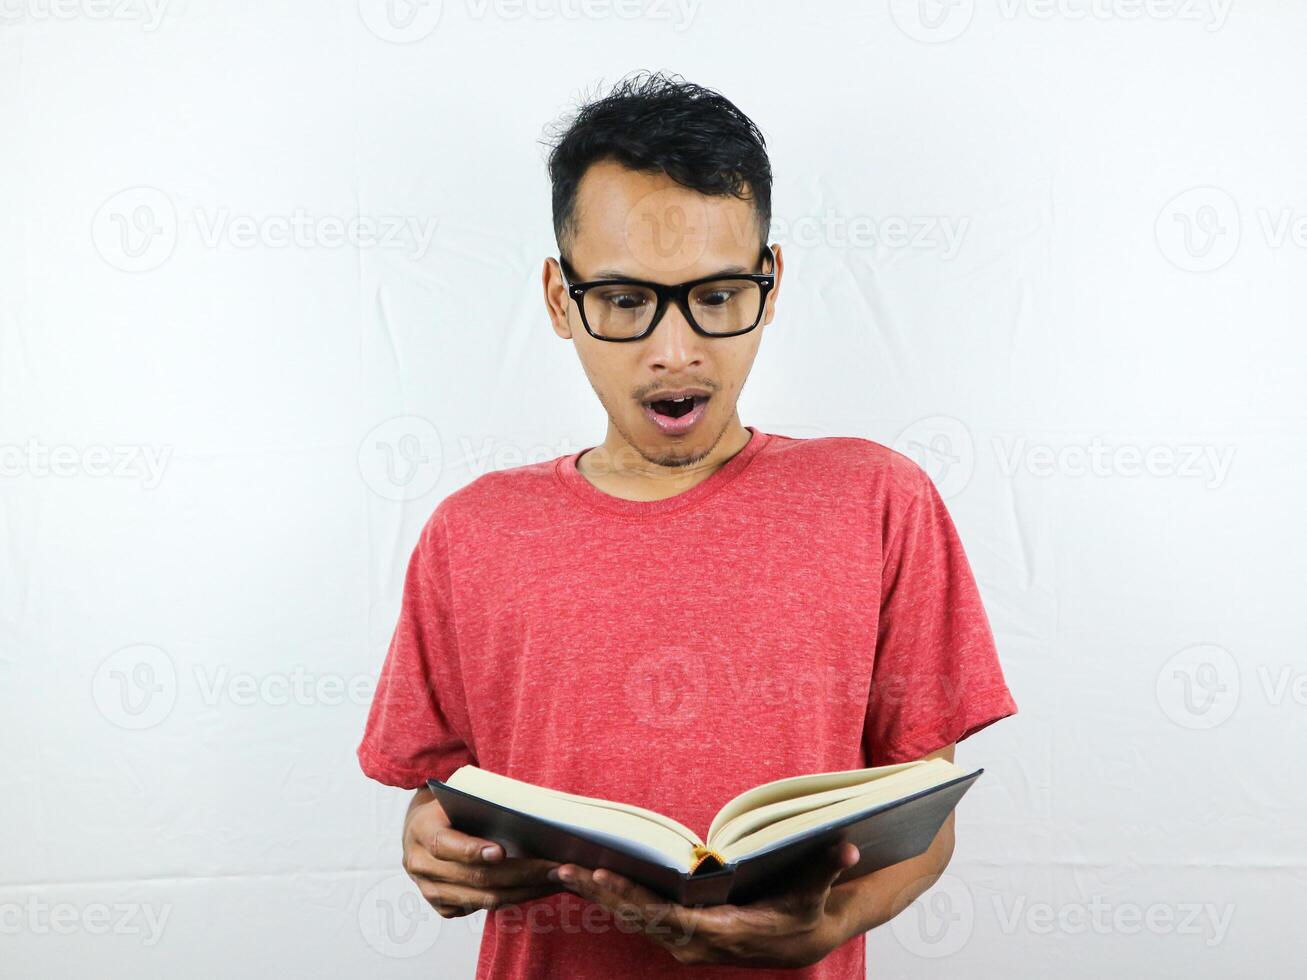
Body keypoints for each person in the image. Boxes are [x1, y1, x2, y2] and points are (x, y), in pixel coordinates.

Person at [356, 70, 1017, 979]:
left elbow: (925, 821)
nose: (676, 351)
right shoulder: (470, 534)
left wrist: (824, 929)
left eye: (715, 296)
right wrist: (433, 845)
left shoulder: (877, 501)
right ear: (560, 299)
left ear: (771, 281)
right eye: (625, 301)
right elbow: (443, 802)